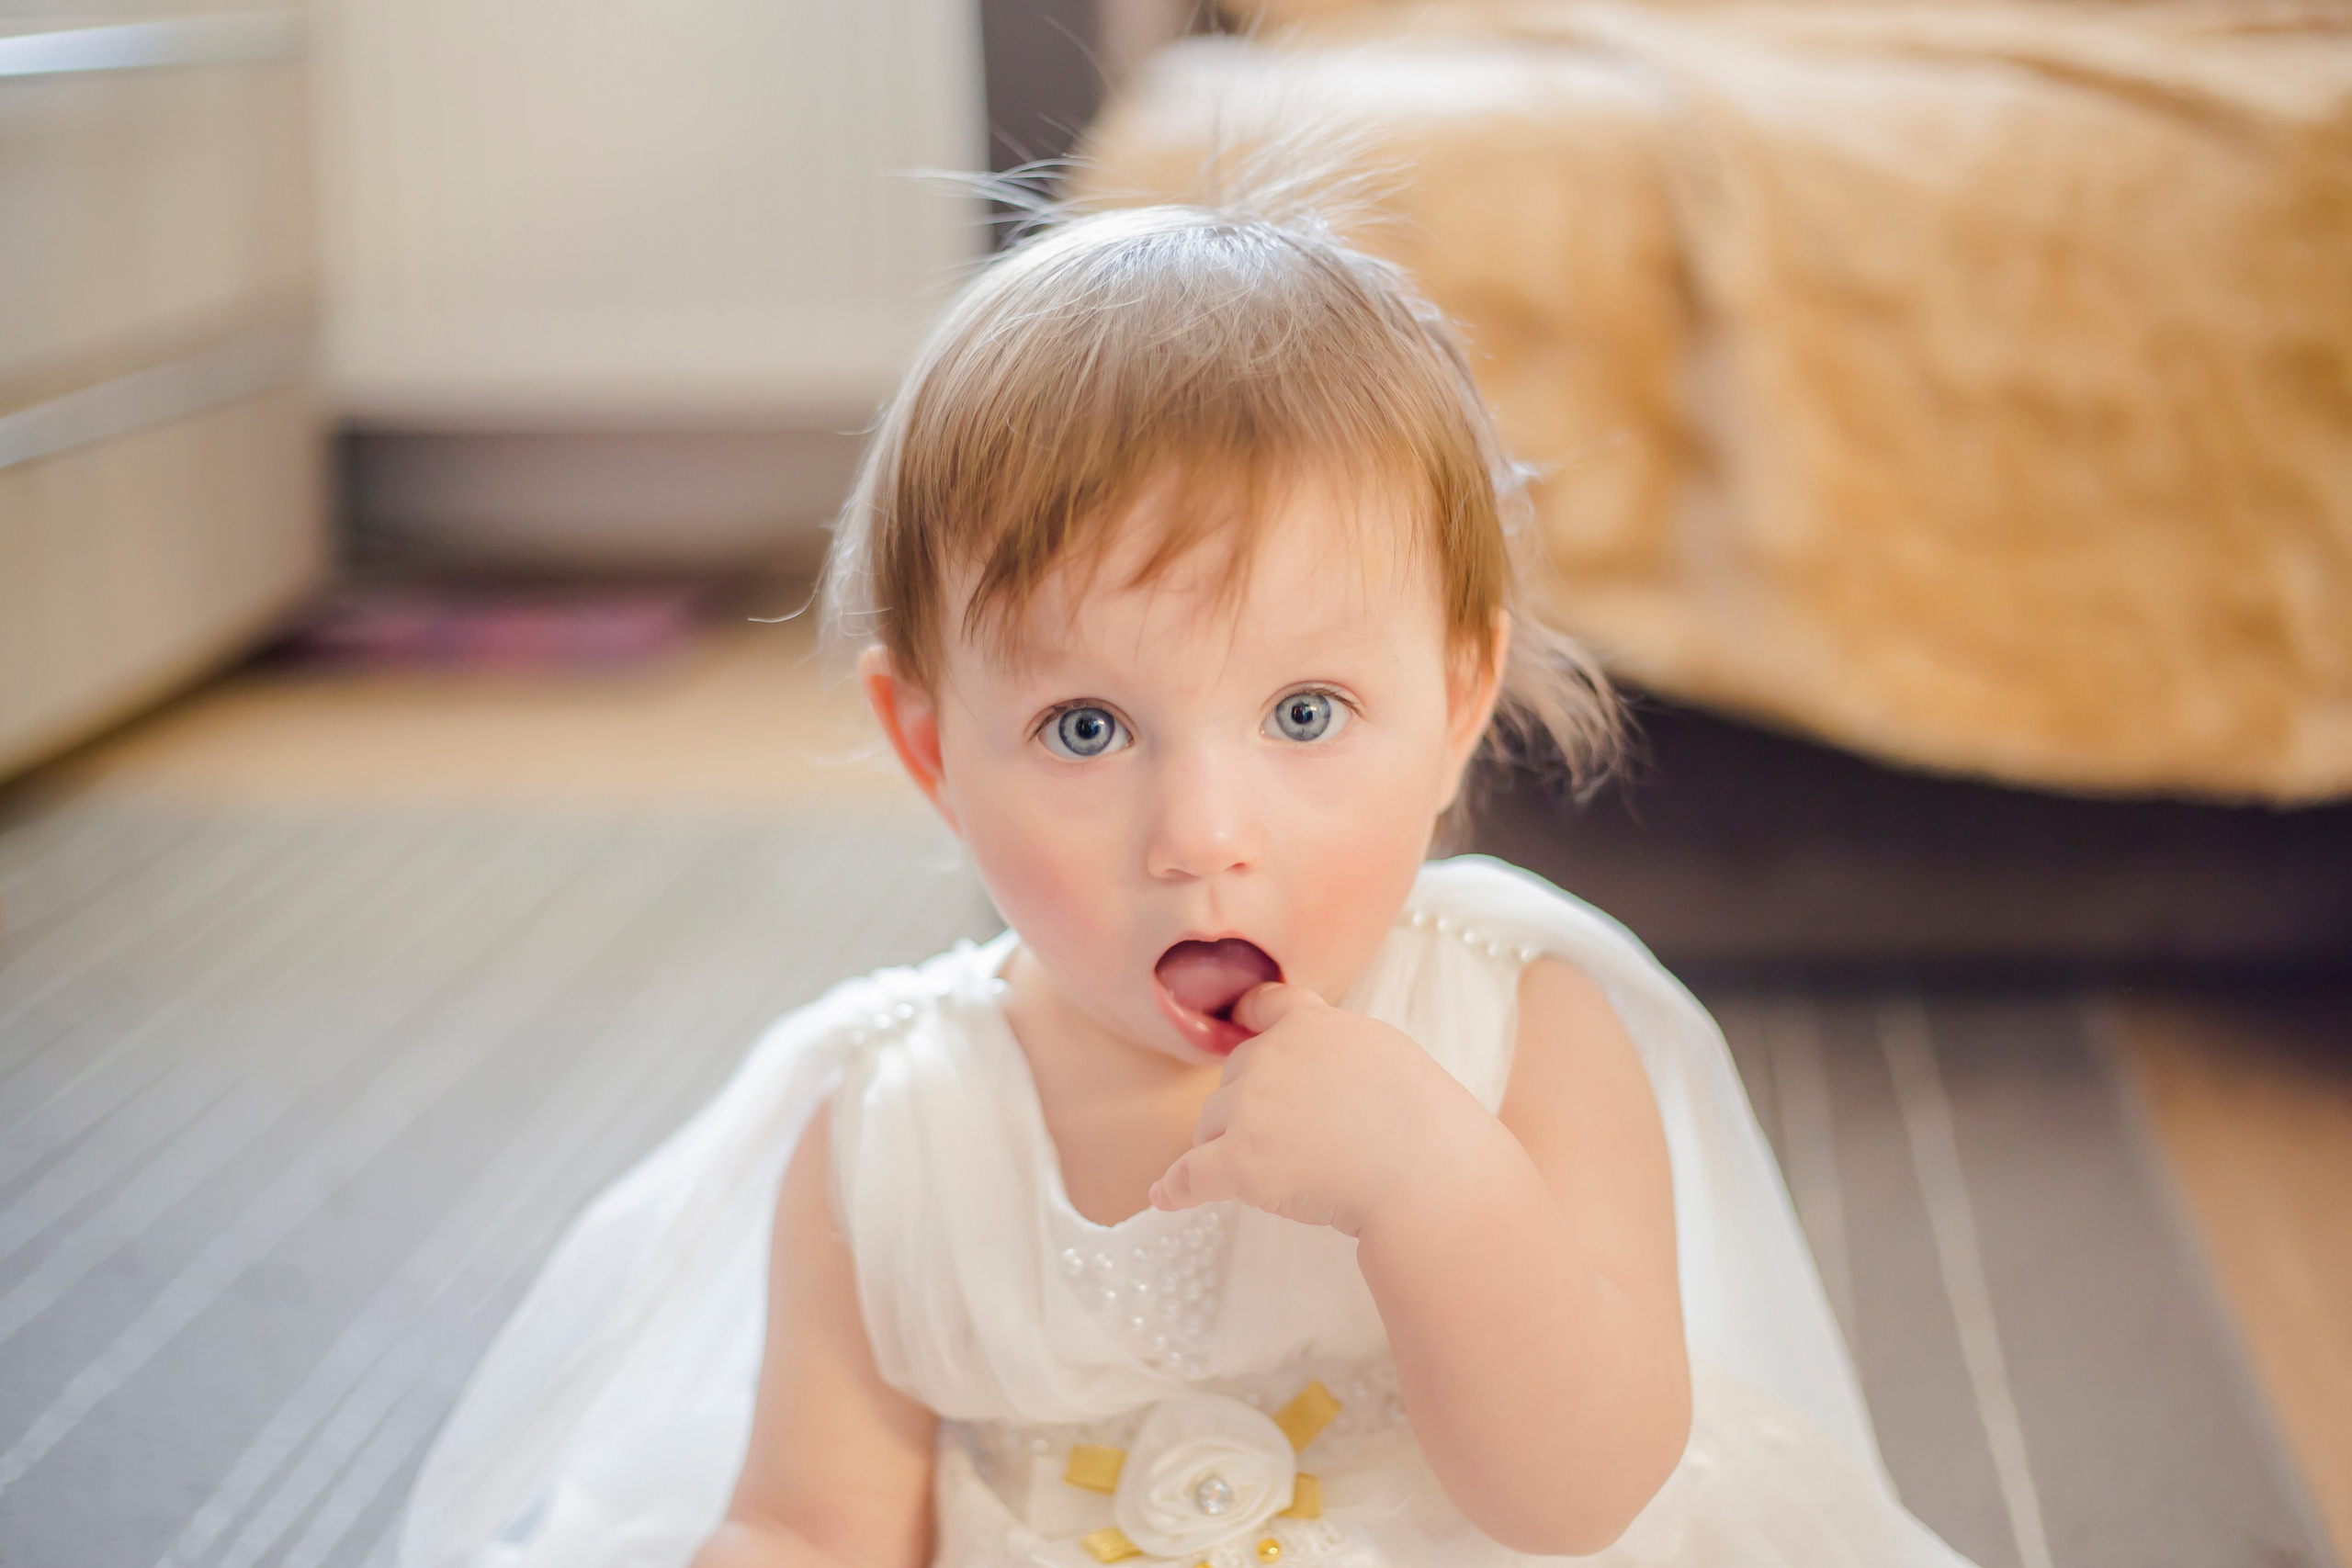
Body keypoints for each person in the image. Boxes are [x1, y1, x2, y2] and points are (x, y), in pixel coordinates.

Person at [398, 190, 1979, 1568]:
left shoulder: (1523, 1028)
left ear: (1455, 706)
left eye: (1306, 714)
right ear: (931, 747)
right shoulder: (888, 1128)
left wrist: (1432, 1183)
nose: (1200, 832)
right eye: (1087, 726)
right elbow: (814, 1526)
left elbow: (1580, 1500)